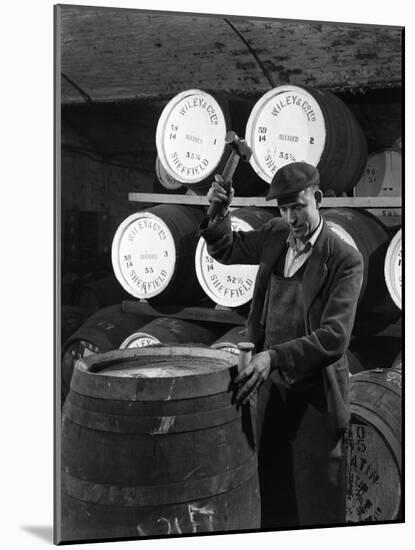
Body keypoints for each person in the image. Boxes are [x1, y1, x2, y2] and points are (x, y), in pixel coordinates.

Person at [199, 161, 363, 529]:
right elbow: (225, 249)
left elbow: (334, 337)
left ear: (317, 198)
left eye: (298, 206)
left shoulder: (344, 259)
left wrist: (273, 356)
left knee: (316, 509)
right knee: (273, 501)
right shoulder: (275, 235)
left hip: (316, 402)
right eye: (284, 208)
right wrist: (219, 211)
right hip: (273, 397)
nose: (290, 216)